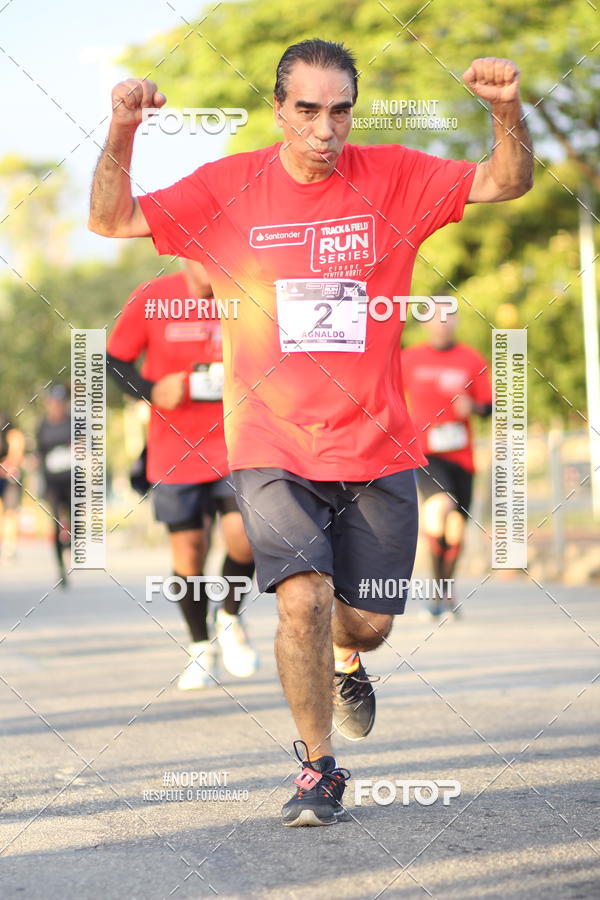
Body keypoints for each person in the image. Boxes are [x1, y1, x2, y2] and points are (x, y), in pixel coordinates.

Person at [89, 39, 533, 826]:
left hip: (378, 446)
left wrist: (506, 112)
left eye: (340, 111)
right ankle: (318, 768)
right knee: (302, 597)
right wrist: (123, 126)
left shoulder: (396, 176)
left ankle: (348, 654)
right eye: (307, 110)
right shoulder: (227, 187)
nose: (325, 129)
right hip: (270, 443)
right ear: (277, 109)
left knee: (368, 621)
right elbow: (110, 217)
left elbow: (507, 180)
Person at [107, 259, 258, 688]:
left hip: (237, 443)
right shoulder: (152, 297)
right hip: (175, 449)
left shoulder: (249, 291)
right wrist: (150, 390)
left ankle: (229, 616)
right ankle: (199, 645)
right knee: (189, 553)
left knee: (245, 538)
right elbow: (114, 361)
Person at [402, 308, 492, 618]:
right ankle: (436, 595)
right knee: (440, 508)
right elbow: (388, 397)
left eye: (449, 315)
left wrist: (473, 407)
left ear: (456, 320)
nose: (443, 322)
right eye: (436, 316)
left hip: (461, 456)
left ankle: (444, 593)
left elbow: (489, 406)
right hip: (426, 453)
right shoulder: (409, 359)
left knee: (455, 527)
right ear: (426, 322)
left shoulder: (471, 359)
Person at [36, 385, 71, 586]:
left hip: (72, 480)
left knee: (75, 520)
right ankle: (60, 567)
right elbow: (38, 451)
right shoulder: (43, 425)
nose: (57, 406)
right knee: (56, 521)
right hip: (52, 482)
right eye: (54, 402)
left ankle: (71, 544)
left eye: (60, 402)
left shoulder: (73, 422)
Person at [0, 413, 25, 563]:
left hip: (10, 476)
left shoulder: (12, 432)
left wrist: (8, 466)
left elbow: (17, 452)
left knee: (10, 512)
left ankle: (9, 546)